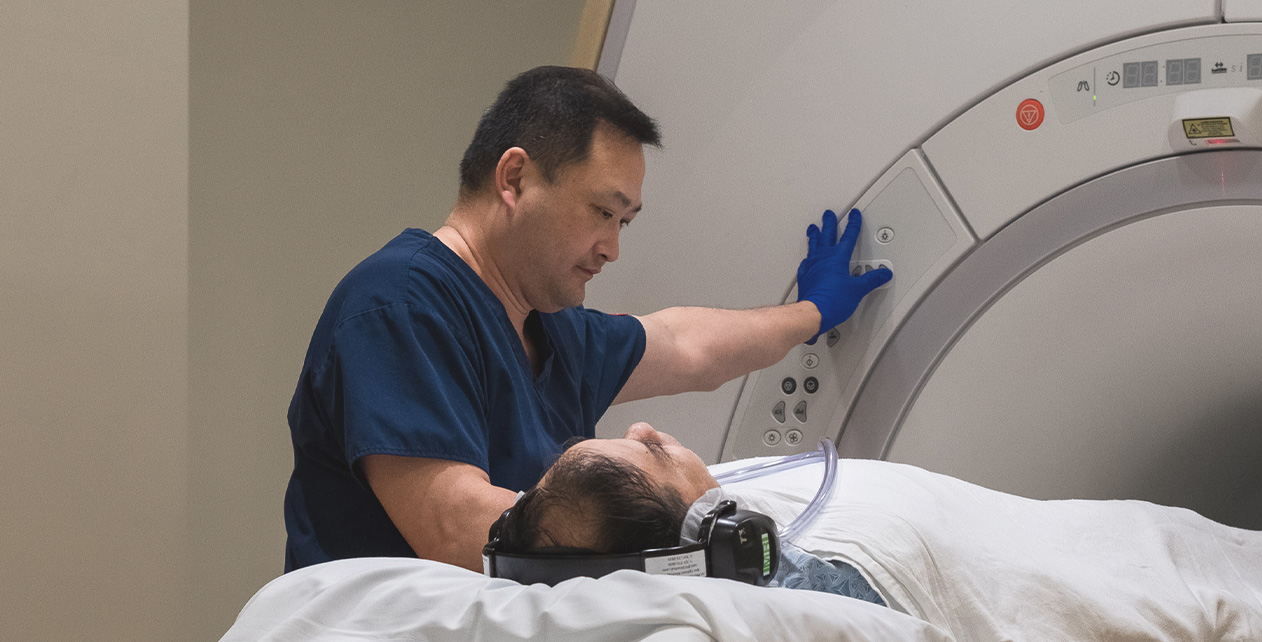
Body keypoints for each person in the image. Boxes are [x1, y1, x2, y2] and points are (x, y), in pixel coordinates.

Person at [283, 65, 892, 573]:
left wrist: (813, 311)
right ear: (515, 178)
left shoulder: (551, 328)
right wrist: (679, 538)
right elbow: (458, 530)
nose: (612, 248)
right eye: (602, 212)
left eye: (624, 222)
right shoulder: (400, 305)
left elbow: (687, 346)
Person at [501, 425, 1262, 642]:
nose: (650, 429)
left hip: (1080, 530)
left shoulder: (741, 489)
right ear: (700, 526)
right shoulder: (808, 584)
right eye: (647, 450)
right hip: (1143, 567)